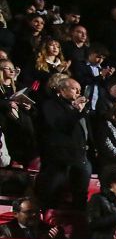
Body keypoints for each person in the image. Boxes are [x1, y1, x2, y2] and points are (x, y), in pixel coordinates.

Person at [37, 77, 91, 210]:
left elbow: (85, 131)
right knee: (52, 196)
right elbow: (60, 125)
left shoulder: (80, 109)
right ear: (61, 90)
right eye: (74, 89)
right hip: (59, 161)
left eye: (79, 90)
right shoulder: (51, 105)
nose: (78, 92)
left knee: (80, 198)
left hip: (80, 159)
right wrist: (75, 110)